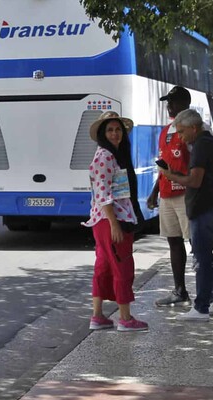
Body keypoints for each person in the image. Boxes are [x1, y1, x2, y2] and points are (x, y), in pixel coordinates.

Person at [158, 109, 213, 320]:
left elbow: (195, 181)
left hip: (204, 207)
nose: (180, 136)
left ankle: (201, 308)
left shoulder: (200, 146)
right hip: (211, 206)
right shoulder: (209, 142)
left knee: (201, 258)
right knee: (205, 255)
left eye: (182, 132)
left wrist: (171, 175)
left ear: (193, 127)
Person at [83, 111, 148, 332]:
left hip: (105, 220)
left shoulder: (112, 155)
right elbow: (103, 194)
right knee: (122, 266)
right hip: (112, 220)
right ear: (103, 133)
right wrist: (114, 224)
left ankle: (98, 316)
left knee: (103, 266)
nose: (114, 134)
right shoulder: (106, 157)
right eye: (110, 130)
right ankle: (125, 318)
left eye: (118, 129)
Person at [147, 86, 193, 306]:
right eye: (168, 102)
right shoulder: (165, 132)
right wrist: (154, 191)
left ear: (185, 103)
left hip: (187, 194)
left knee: (196, 243)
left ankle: (212, 292)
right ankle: (179, 290)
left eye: (173, 102)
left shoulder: (193, 131)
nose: (169, 106)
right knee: (174, 242)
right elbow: (163, 165)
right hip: (166, 195)